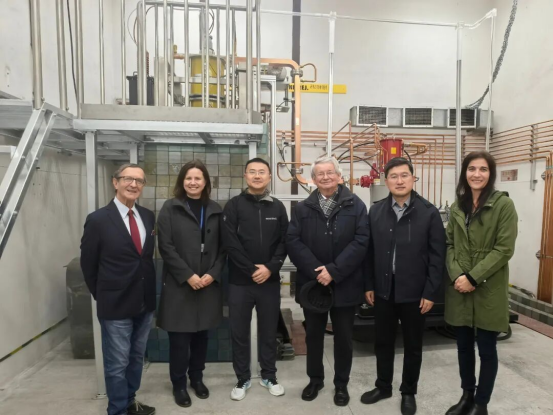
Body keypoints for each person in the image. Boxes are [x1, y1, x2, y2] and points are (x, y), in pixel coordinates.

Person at [362, 157, 446, 415]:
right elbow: (369, 252)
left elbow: (437, 257)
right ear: (386, 181)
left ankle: (408, 392)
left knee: (413, 345)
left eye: (404, 175)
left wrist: (430, 292)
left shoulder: (428, 212)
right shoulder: (376, 211)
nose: (399, 181)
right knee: (383, 342)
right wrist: (369, 284)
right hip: (383, 290)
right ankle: (383, 386)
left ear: (413, 178)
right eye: (394, 176)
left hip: (415, 292)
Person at [286, 155, 370, 407]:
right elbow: (293, 241)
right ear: (313, 179)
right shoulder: (302, 208)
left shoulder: (356, 205)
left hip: (345, 283)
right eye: (320, 174)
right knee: (313, 336)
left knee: (344, 337)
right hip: (313, 286)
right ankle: (315, 380)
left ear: (339, 176)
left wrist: (333, 270)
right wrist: (317, 271)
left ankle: (341, 384)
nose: (325, 177)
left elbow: (362, 241)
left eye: (330, 172)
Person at [444, 151, 518, 415]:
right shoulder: (458, 206)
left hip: (488, 287)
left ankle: (481, 404)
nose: (477, 174)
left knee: (487, 349)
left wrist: (473, 277)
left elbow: (504, 249)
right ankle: (467, 396)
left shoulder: (503, 205)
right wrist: (457, 276)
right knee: (463, 347)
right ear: (465, 173)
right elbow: (450, 244)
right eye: (471, 169)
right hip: (460, 287)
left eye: (483, 169)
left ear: (491, 174)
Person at [80, 164, 156, 415]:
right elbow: (88, 264)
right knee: (117, 363)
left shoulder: (147, 216)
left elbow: (144, 258)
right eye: (128, 179)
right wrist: (103, 295)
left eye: (139, 181)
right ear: (115, 182)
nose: (133, 184)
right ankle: (117, 410)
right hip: (114, 304)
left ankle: (130, 401)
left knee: (136, 358)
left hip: (144, 302)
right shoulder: (98, 219)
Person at [157, 160, 225, 408]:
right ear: (182, 181)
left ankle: (197, 378)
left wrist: (213, 274)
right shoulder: (170, 208)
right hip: (180, 285)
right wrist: (188, 275)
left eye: (198, 178)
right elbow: (165, 247)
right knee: (179, 340)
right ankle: (179, 384)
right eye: (188, 178)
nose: (193, 182)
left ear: (206, 182)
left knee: (201, 337)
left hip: (208, 284)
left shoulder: (215, 210)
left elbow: (223, 248)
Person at [222, 157, 289, 401]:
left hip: (269, 281)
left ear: (269, 177)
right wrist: (251, 269)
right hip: (240, 282)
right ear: (245, 176)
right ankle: (242, 378)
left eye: (262, 172)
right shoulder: (234, 206)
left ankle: (269, 375)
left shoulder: (277, 207)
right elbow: (230, 242)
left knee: (269, 331)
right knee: (239, 332)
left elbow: (285, 241)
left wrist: (270, 268)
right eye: (252, 172)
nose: (257, 176)